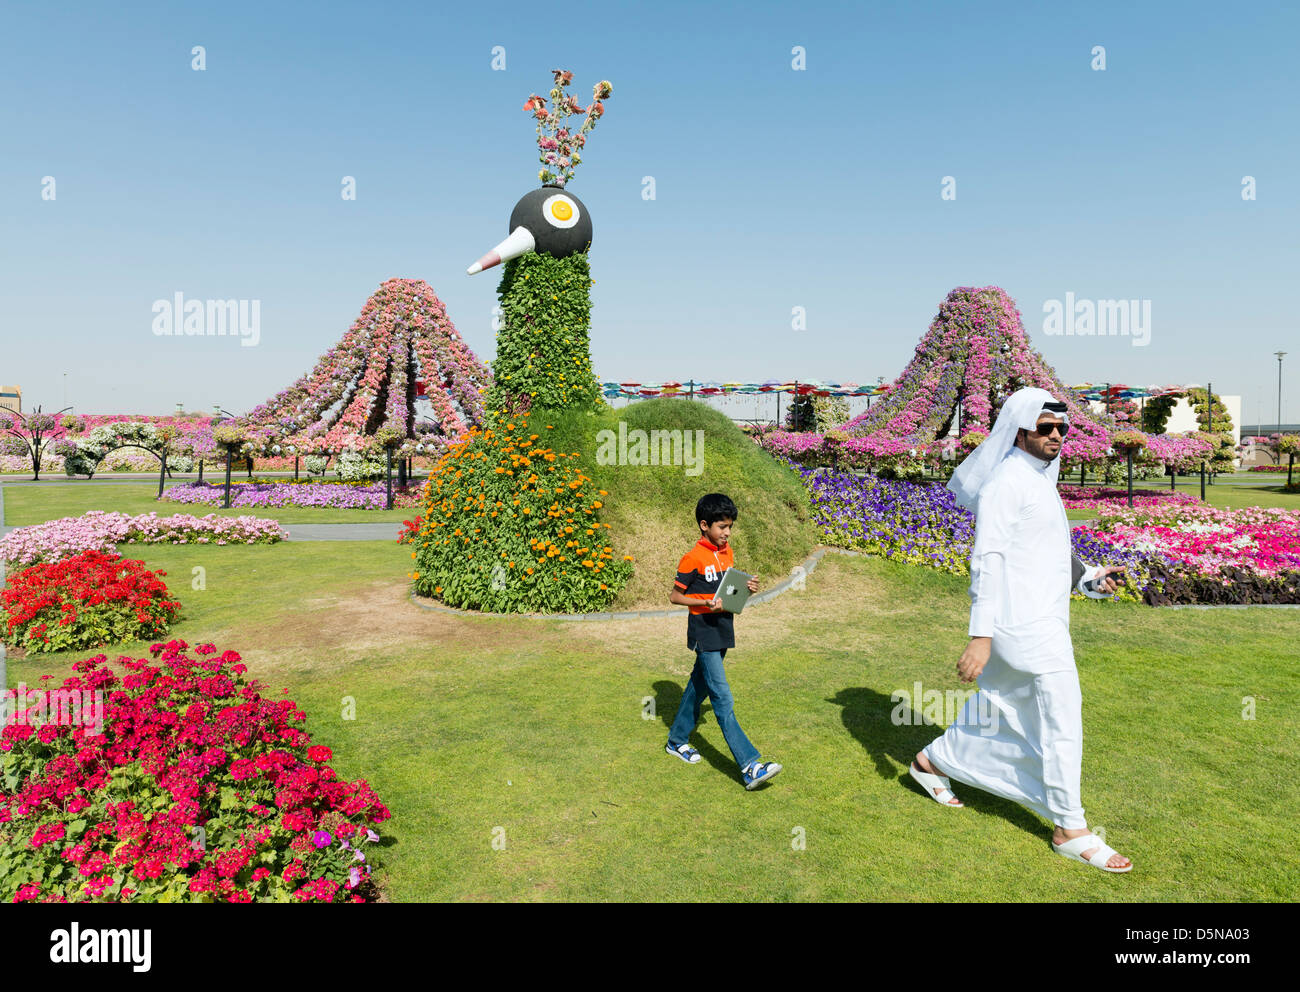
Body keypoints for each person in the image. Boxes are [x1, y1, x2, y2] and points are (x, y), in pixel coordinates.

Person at [909, 387, 1133, 872]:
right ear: (1020, 430)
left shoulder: (1039, 479)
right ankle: (1069, 826)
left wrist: (1090, 579)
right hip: (1018, 626)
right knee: (1059, 715)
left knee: (1003, 707)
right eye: (1044, 427)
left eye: (1062, 428)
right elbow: (986, 562)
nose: (1056, 436)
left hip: (1042, 621)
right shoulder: (1006, 484)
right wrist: (981, 635)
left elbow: (1046, 553)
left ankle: (933, 761)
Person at [664, 492, 782, 790]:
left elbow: (728, 594)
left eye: (730, 526)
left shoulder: (727, 552)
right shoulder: (692, 558)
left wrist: (747, 589)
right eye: (722, 527)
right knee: (722, 698)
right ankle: (750, 765)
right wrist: (706, 601)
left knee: (697, 688)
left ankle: (676, 741)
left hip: (723, 630)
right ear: (705, 525)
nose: (727, 532)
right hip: (704, 631)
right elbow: (676, 596)